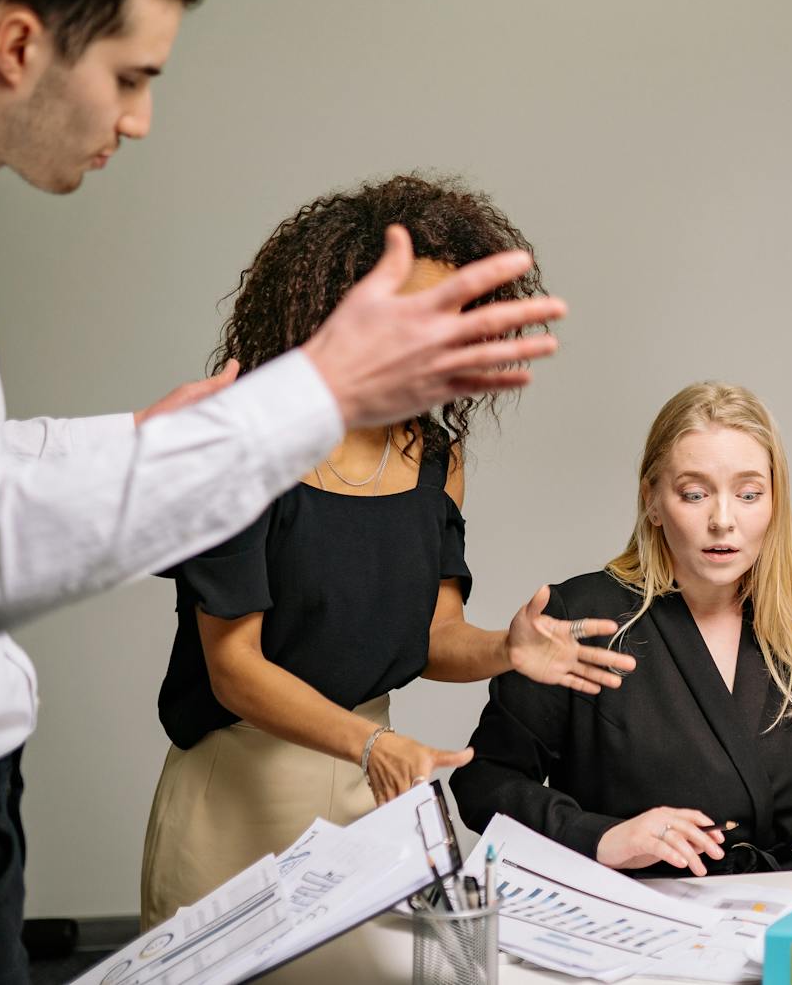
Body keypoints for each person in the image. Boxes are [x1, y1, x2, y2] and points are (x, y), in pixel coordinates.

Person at [0, 0, 563, 985]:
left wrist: (140, 437)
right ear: (20, 44)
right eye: (130, 76)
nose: (138, 121)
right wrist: (315, 392)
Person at [138, 175, 634, 977]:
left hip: (370, 798)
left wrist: (507, 649)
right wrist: (372, 742)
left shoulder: (437, 456)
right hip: (237, 792)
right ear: (339, 310)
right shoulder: (248, 437)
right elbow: (233, 668)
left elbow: (433, 636)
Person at [453, 382, 792, 876]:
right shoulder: (581, 615)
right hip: (626, 907)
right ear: (652, 501)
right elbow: (484, 780)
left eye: (749, 494)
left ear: (775, 501)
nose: (722, 520)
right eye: (694, 494)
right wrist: (602, 838)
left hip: (773, 901)